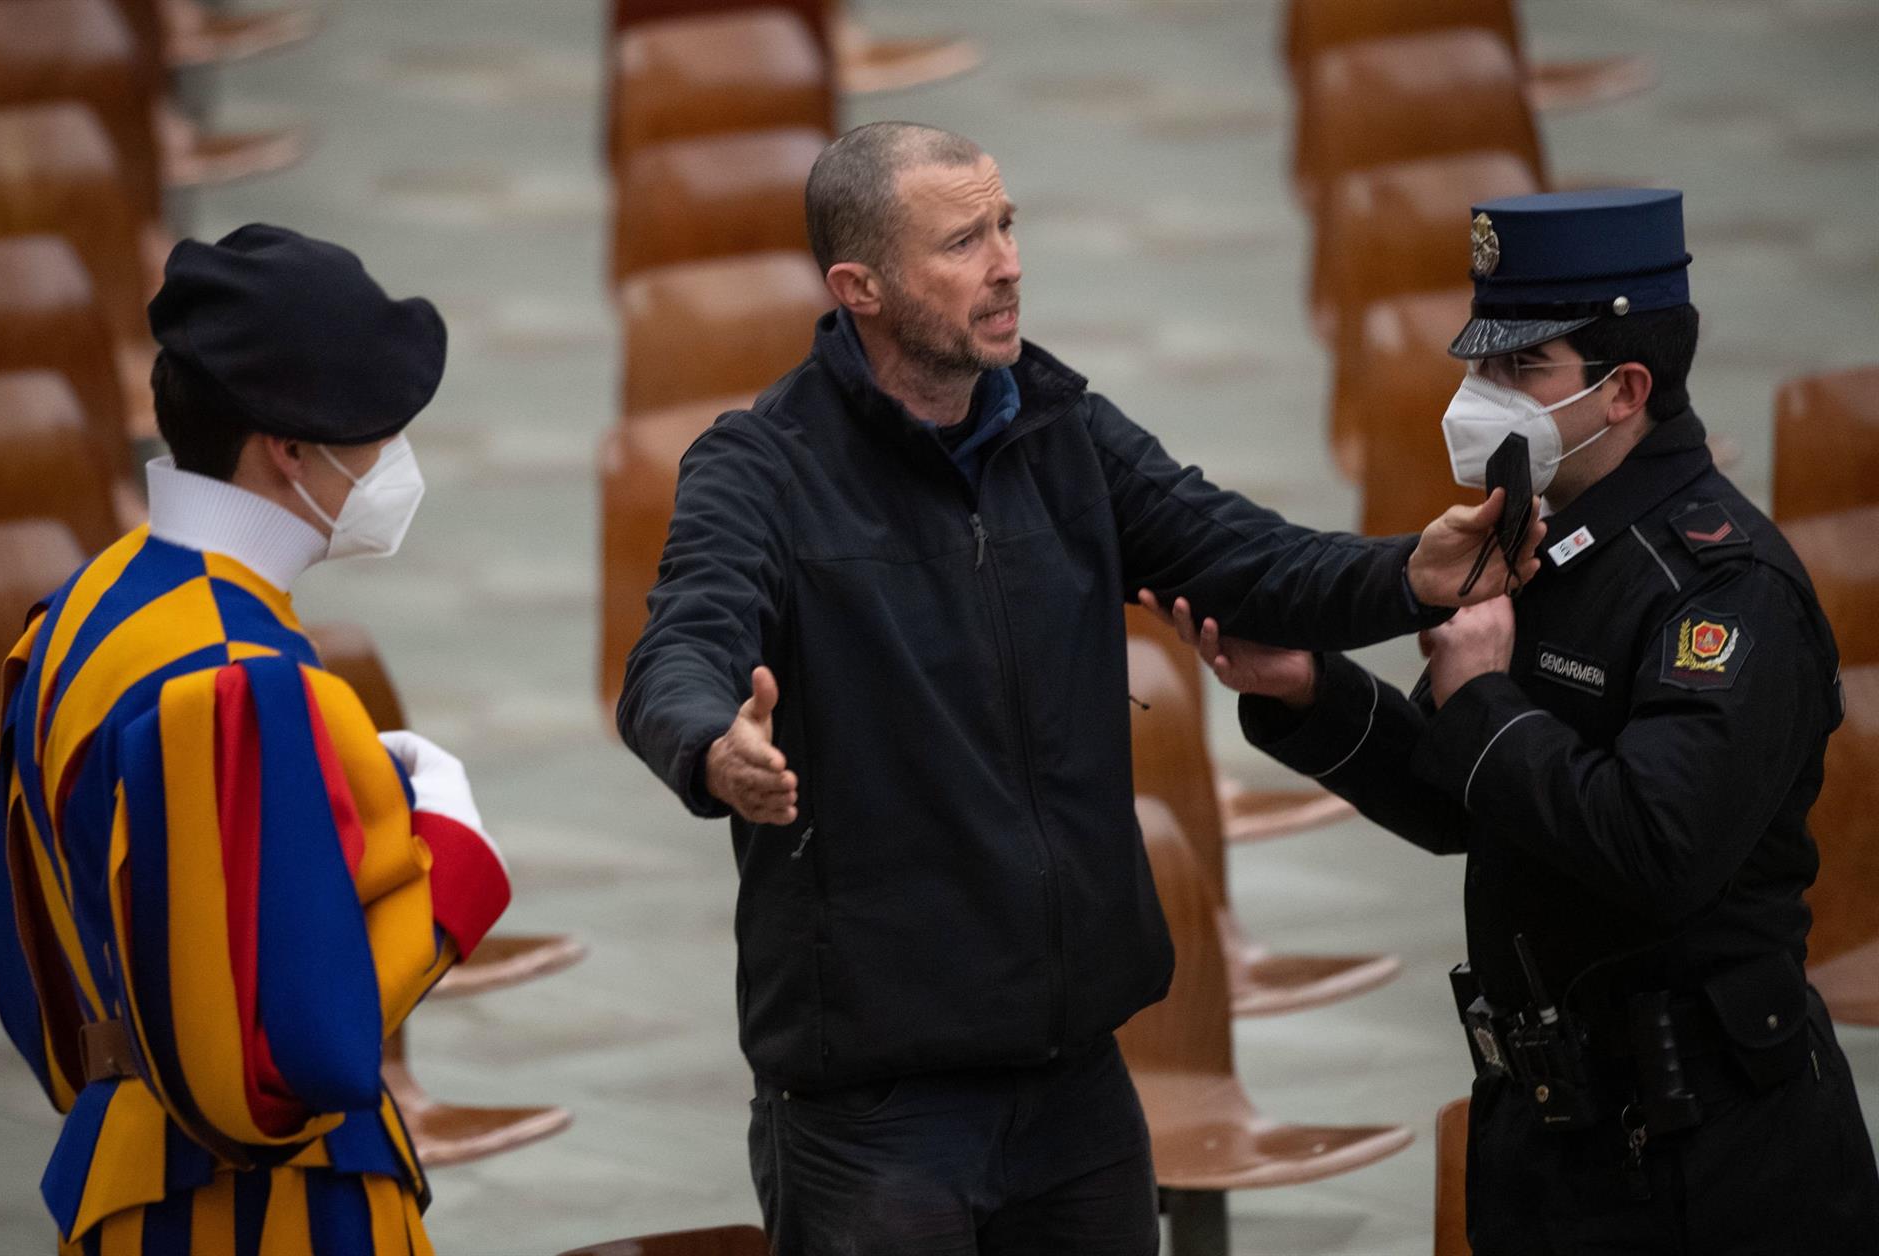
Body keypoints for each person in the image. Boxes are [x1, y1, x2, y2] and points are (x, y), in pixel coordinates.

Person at [617, 121, 1539, 1254]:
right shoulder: (762, 466)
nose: (1007, 261)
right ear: (859, 286)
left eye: (1007, 225)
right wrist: (715, 745)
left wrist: (1408, 573)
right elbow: (678, 647)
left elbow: (1246, 556)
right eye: (963, 240)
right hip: (877, 1121)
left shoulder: (1059, 427)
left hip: (1077, 1092)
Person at [1153, 188, 1879, 1254]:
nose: (1478, 395)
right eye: (1480, 364)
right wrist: (1308, 688)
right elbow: (1468, 800)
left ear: (1623, 387)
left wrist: (1487, 697)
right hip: (1551, 1124)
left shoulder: (1722, 590)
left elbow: (1657, 845)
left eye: (1518, 370)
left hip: (1708, 1150)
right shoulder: (1543, 536)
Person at [0, 224, 511, 1255]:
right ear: (289, 449)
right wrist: (452, 859)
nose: (393, 458)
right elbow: (284, 1071)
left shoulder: (79, 607)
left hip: (119, 1182)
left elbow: (29, 967)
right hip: (264, 1215)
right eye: (378, 430)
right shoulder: (247, 678)